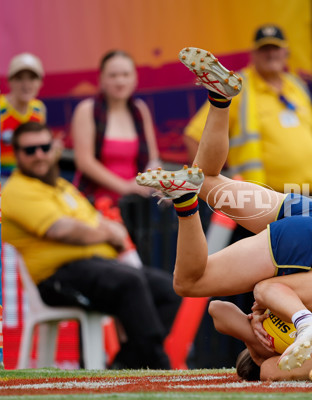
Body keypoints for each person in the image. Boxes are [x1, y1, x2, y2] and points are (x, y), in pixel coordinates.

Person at [137, 47, 312, 372]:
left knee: (205, 179)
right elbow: (274, 369)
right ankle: (185, 202)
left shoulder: (273, 337)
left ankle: (220, 99)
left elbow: (218, 312)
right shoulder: (292, 346)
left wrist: (252, 329)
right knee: (187, 284)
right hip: (309, 247)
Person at [2, 121, 181, 369]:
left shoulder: (63, 186)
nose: (39, 155)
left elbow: (91, 222)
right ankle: (159, 367)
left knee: (167, 290)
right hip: (57, 277)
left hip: (97, 266)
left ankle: (125, 365)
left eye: (44, 147)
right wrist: (108, 235)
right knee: (129, 282)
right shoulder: (17, 190)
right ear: (17, 154)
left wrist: (104, 232)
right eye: (30, 150)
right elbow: (62, 230)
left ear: (54, 148)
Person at [183, 25, 312, 194]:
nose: (271, 54)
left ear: (286, 52)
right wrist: (212, 185)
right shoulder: (236, 88)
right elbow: (193, 136)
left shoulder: (297, 85)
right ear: (253, 55)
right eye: (264, 49)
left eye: (276, 48)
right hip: (265, 200)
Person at [70, 50, 160, 204]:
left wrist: (156, 181)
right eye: (113, 75)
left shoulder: (140, 109)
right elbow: (84, 162)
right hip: (95, 201)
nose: (120, 81)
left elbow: (153, 158)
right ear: (101, 79)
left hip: (134, 202)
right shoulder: (87, 110)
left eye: (126, 75)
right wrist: (124, 186)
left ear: (135, 78)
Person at [1, 53, 46, 181]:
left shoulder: (39, 109)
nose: (26, 84)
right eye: (19, 78)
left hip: (30, 178)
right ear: (9, 81)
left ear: (41, 82)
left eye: (32, 78)